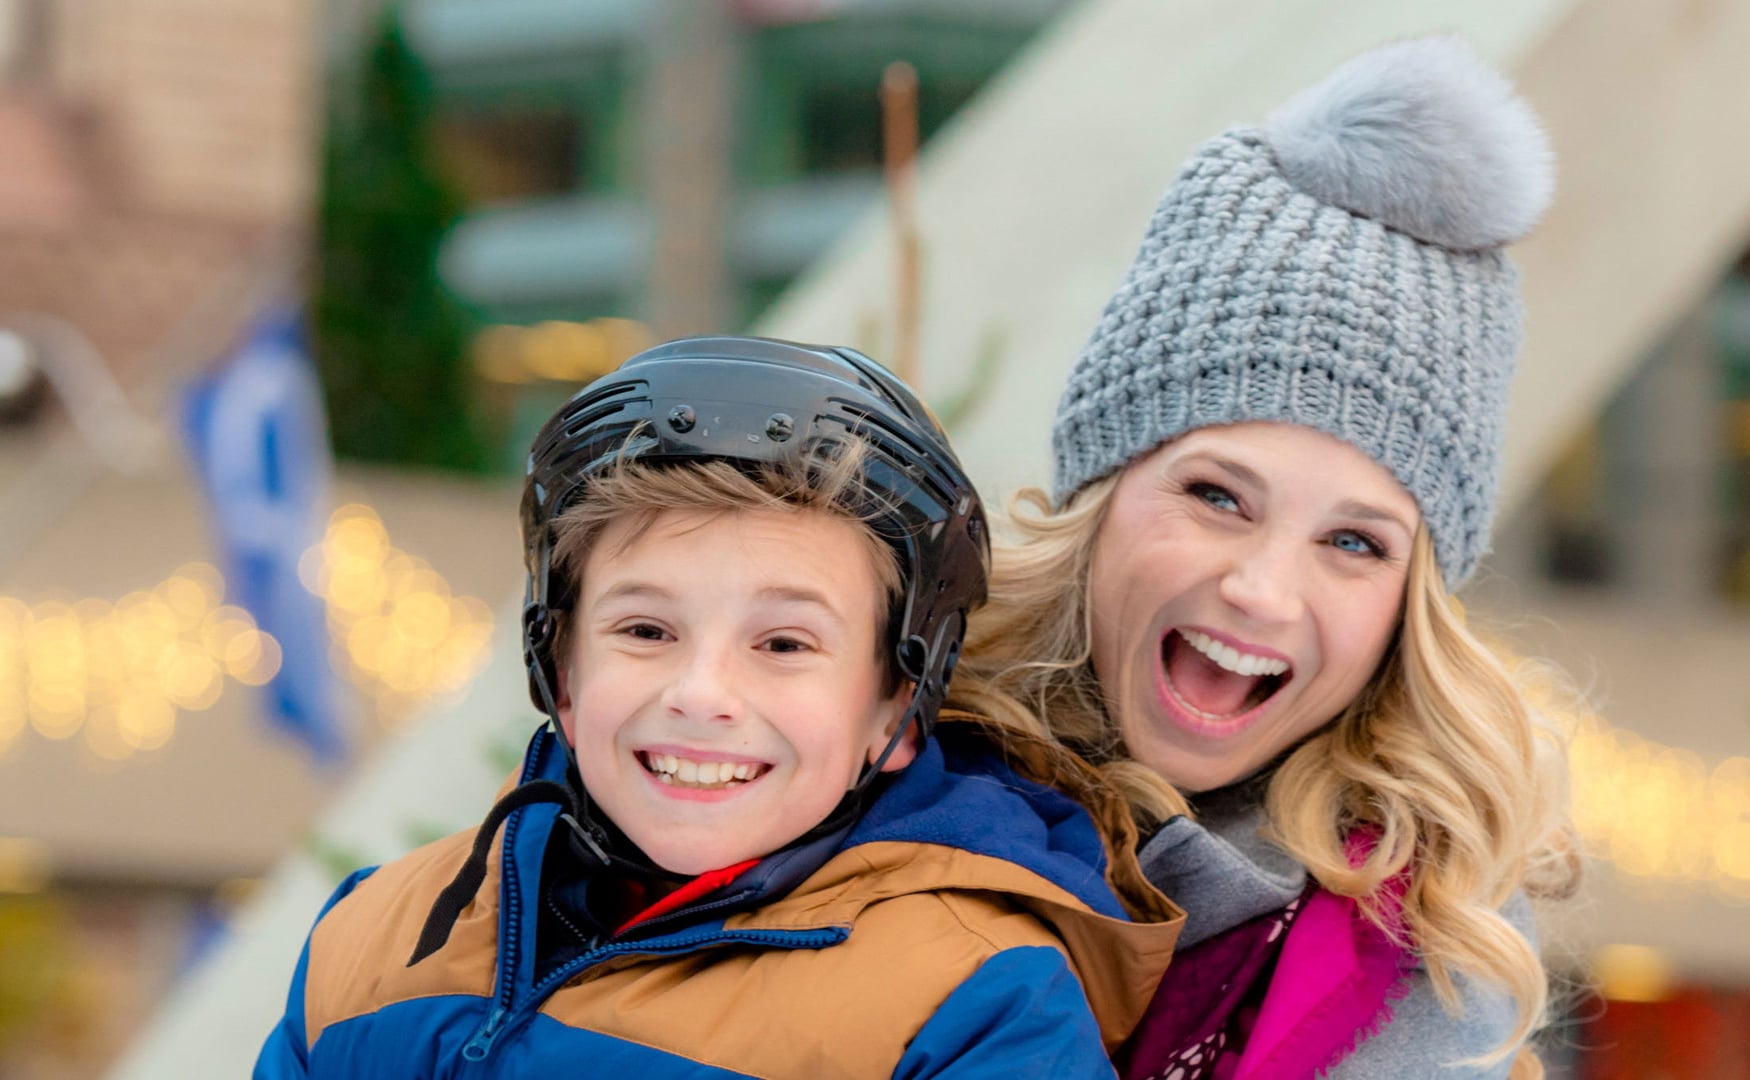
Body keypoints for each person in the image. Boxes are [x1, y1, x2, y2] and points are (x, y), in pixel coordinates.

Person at [254, 336, 1181, 1078]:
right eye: (646, 631)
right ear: (560, 670)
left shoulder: (975, 1006)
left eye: (783, 645)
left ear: (894, 706)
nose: (701, 694)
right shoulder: (373, 938)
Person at [948, 38, 1580, 1079]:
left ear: (1406, 604)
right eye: (1216, 496)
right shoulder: (862, 770)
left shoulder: (1433, 971)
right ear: (1105, 493)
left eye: (1352, 542)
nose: (1262, 589)